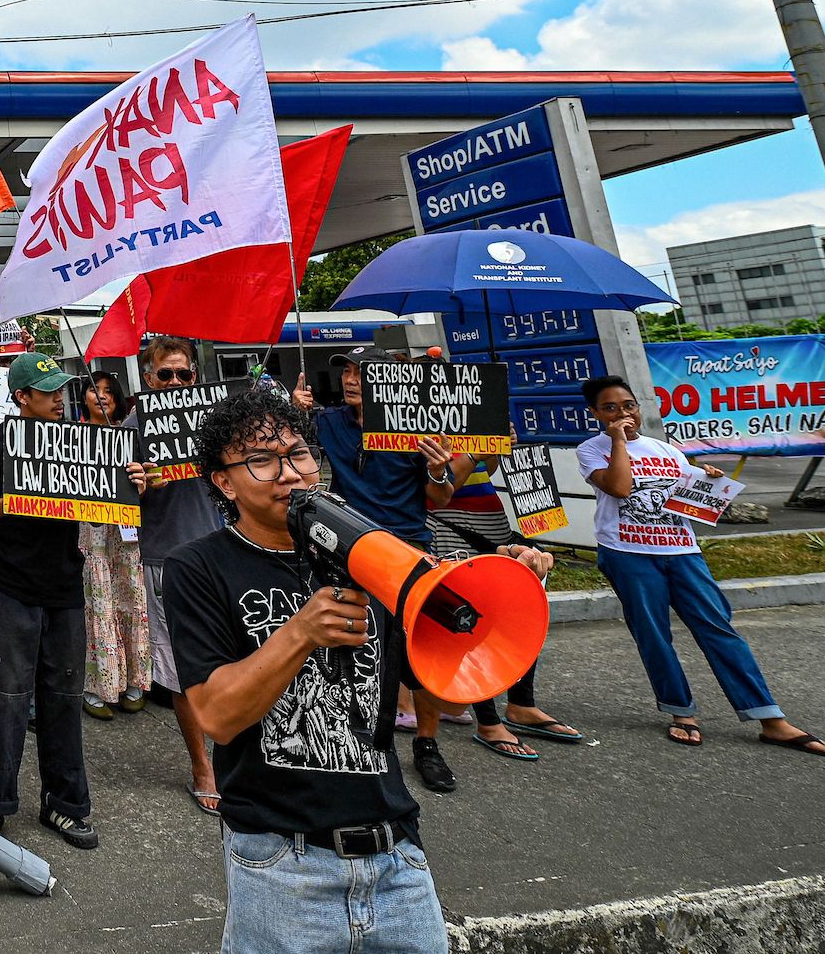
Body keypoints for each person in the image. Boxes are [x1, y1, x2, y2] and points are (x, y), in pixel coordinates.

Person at [165, 385, 492, 954]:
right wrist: (299, 633)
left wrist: (478, 600)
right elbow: (217, 716)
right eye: (260, 461)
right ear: (223, 481)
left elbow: (457, 697)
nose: (288, 473)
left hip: (398, 862)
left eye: (297, 454)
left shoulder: (371, 555)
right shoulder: (197, 568)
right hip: (281, 867)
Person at [577, 375, 825, 758]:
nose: (623, 413)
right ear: (595, 413)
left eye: (629, 405)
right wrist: (618, 440)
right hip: (627, 553)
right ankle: (680, 712)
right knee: (653, 633)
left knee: (718, 627)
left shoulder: (667, 450)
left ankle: (770, 717)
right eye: (610, 408)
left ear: (639, 406)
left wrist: (706, 481)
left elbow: (687, 503)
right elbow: (618, 488)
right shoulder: (591, 449)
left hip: (682, 551)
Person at [310, 347, 465, 795]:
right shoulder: (329, 422)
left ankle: (427, 743)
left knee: (418, 649)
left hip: (407, 550)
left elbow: (439, 500)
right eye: (348, 371)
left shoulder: (416, 426)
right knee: (348, 645)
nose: (351, 379)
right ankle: (354, 738)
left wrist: (438, 471)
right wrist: (293, 411)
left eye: (364, 372)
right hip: (348, 549)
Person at [0, 351, 98, 848]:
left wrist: (133, 485)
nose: (60, 397)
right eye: (49, 391)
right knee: (6, 698)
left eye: (62, 388)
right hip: (10, 589)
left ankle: (65, 805)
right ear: (22, 397)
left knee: (63, 701)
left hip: (65, 589)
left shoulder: (80, 441)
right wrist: (17, 499)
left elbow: (106, 504)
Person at [424, 453, 584, 758]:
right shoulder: (428, 422)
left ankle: (522, 704)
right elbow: (438, 490)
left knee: (520, 610)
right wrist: (475, 453)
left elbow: (486, 471)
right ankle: (488, 721)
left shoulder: (477, 419)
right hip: (450, 527)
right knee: (472, 621)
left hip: (490, 524)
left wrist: (494, 448)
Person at [130, 337, 228, 815]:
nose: (174, 382)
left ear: (196, 377)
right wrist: (141, 488)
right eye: (164, 375)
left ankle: (242, 756)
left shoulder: (215, 421)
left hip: (221, 551)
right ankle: (201, 767)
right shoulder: (129, 429)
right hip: (163, 560)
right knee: (182, 668)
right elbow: (112, 504)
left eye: (183, 375)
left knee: (235, 659)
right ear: (147, 380)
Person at [76, 371, 147, 721]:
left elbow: (147, 484)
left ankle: (135, 680)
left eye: (108, 391)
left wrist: (142, 481)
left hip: (127, 533)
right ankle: (97, 687)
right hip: (93, 535)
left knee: (132, 601)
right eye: (94, 389)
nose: (101, 396)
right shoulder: (69, 437)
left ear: (118, 397)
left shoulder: (131, 436)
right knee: (98, 604)